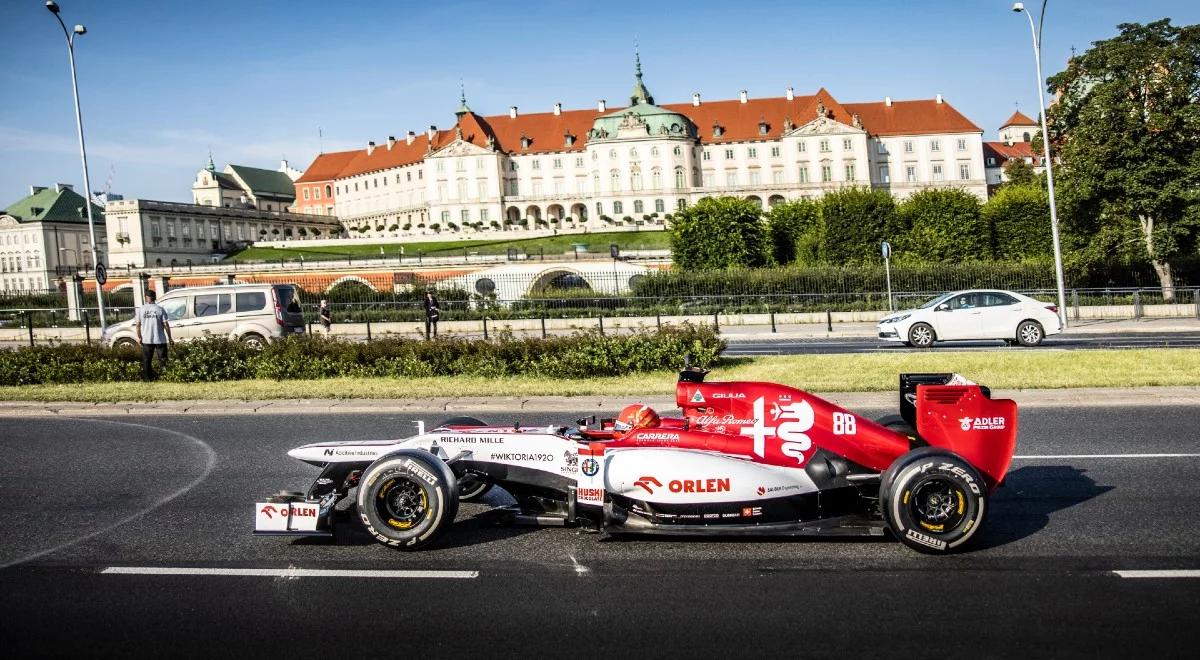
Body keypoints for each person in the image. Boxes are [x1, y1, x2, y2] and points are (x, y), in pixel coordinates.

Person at [135, 289, 173, 381]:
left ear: (146, 298)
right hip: (160, 339)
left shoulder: (141, 310)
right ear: (154, 298)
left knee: (147, 361)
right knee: (163, 360)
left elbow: (138, 325)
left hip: (147, 339)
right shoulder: (160, 309)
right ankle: (165, 378)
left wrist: (139, 337)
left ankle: (148, 379)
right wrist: (170, 338)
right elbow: (166, 325)